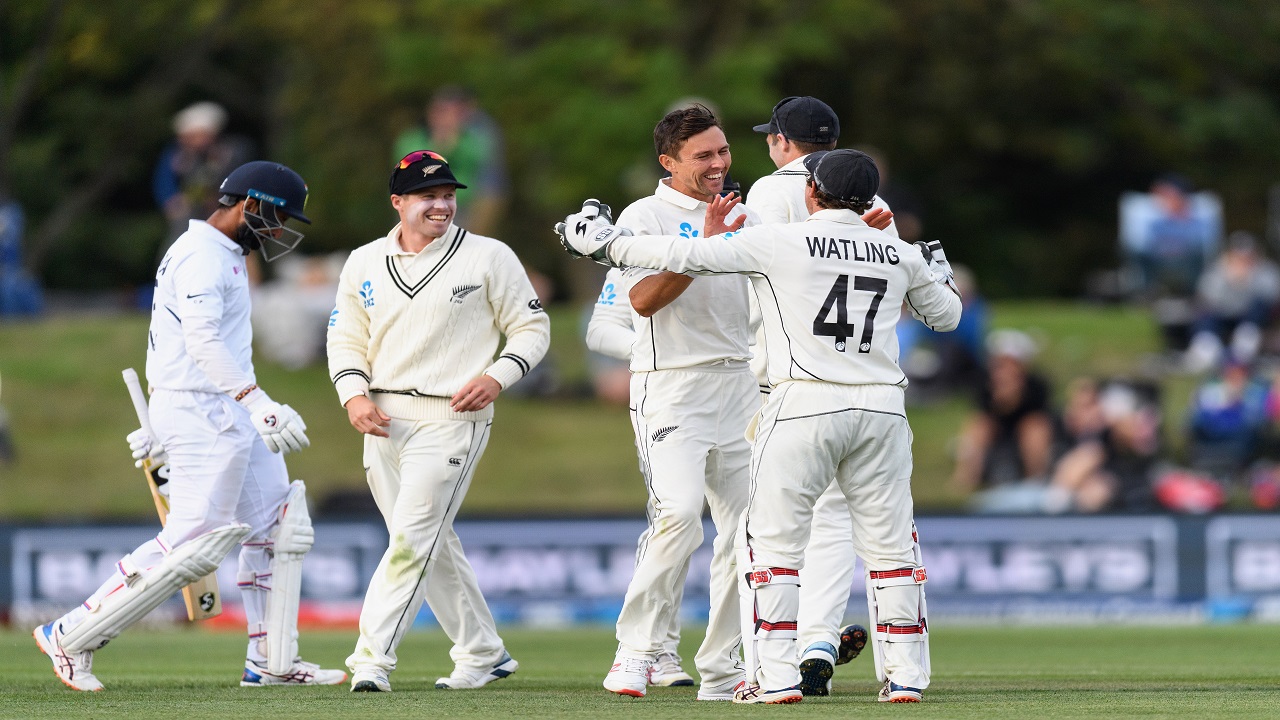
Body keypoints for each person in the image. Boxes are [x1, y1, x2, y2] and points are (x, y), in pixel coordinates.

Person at [558, 148, 962, 704]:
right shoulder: (896, 250)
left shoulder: (784, 240)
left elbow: (687, 252)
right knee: (892, 549)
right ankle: (907, 677)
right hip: (882, 410)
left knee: (771, 544)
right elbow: (948, 316)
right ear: (870, 200)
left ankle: (773, 679)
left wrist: (605, 244)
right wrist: (934, 268)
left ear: (812, 194)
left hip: (804, 404)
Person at [33, 161, 345, 691]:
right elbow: (201, 343)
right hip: (204, 409)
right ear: (249, 204)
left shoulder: (220, 254)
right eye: (276, 219)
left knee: (280, 525)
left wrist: (245, 404)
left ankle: (272, 662)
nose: (278, 232)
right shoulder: (202, 255)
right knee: (193, 544)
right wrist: (257, 401)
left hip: (222, 405)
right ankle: (70, 634)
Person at [326, 150, 549, 693]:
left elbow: (531, 329)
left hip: (453, 417)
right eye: (428, 196)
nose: (442, 205)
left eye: (448, 195)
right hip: (382, 420)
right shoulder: (363, 261)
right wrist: (354, 397)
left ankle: (371, 661)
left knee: (411, 539)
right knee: (431, 540)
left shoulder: (488, 256)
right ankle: (483, 651)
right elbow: (345, 338)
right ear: (398, 202)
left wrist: (498, 376)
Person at [582, 104, 758, 702]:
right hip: (672, 385)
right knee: (679, 516)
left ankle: (722, 665)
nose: (718, 164)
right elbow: (642, 300)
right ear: (669, 162)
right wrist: (705, 247)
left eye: (723, 150)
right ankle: (637, 652)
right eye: (703, 155)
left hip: (740, 387)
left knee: (748, 531)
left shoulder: (746, 210)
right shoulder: (644, 216)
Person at [744, 95, 893, 696]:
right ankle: (817, 641)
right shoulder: (873, 198)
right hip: (864, 377)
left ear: (782, 141)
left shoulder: (765, 191)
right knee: (833, 522)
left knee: (767, 527)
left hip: (784, 377)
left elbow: (751, 269)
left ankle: (762, 664)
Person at [953, 329, 1056, 502]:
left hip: (1025, 431)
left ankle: (1036, 480)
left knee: (1034, 429)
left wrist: (1015, 396)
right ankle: (966, 479)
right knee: (978, 427)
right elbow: (984, 413)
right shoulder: (984, 383)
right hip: (996, 432)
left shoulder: (1036, 385)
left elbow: (1040, 415)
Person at [393, 86, 508, 237]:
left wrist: (453, 143)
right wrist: (441, 145)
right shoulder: (414, 138)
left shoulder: (475, 137)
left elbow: (484, 161)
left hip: (465, 204)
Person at [152, 102, 254, 254]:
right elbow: (164, 181)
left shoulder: (228, 152)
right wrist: (172, 201)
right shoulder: (177, 155)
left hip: (221, 211)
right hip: (188, 215)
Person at [1183, 231, 1280, 372]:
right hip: (1222, 316)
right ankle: (1206, 348)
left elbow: (1272, 296)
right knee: (1206, 313)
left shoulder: (1266, 270)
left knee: (1258, 308)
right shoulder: (1217, 270)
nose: (1243, 259)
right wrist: (1229, 280)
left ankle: (1243, 350)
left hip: (1252, 319)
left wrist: (1248, 280)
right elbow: (1207, 296)